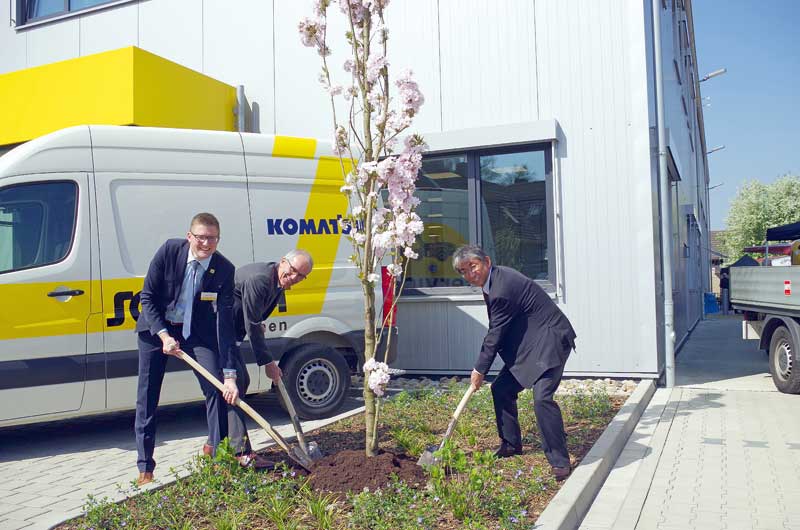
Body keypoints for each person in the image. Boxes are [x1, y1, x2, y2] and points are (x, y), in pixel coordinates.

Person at [452, 244, 577, 481]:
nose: (470, 274)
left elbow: (495, 333)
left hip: (551, 341)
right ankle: (510, 444)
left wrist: (479, 369)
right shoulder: (493, 282)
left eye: (473, 266)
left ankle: (560, 461)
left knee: (542, 399)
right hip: (533, 346)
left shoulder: (501, 287)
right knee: (502, 389)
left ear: (486, 261)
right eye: (464, 271)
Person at [134, 213, 238, 486]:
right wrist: (164, 335)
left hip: (195, 333)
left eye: (212, 238)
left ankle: (219, 457)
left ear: (218, 239)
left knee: (216, 389)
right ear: (189, 236)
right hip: (156, 329)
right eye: (200, 237)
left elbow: (224, 325)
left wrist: (230, 375)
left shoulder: (224, 269)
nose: (206, 243)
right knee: (147, 396)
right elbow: (147, 297)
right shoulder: (170, 251)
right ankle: (145, 469)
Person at [224, 250, 314, 467]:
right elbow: (252, 324)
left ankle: (214, 446)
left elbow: (253, 314)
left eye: (300, 276)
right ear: (283, 261)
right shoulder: (261, 279)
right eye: (292, 271)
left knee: (237, 385)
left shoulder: (277, 282)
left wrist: (254, 321)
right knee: (236, 385)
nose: (293, 277)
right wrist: (267, 363)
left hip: (231, 334)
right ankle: (240, 453)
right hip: (217, 334)